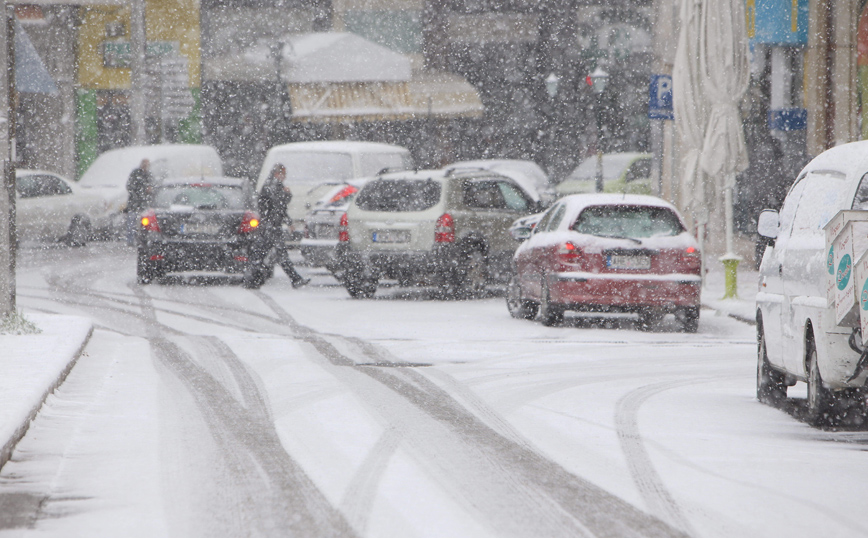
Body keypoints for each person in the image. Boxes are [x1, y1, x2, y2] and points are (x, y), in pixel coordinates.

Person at [253, 164, 309, 288]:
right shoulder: (272, 186)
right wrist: (287, 195)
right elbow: (278, 205)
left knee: (266, 253)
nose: (284, 176)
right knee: (274, 254)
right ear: (276, 174)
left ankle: (254, 278)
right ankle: (253, 278)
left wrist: (288, 222)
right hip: (270, 225)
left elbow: (280, 207)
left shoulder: (275, 186)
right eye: (282, 174)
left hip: (271, 225)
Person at [126, 159, 155, 245]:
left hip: (144, 204)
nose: (145, 166)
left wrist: (150, 190)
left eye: (147, 164)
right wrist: (140, 192)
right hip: (134, 203)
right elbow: (130, 186)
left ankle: (141, 240)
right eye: (144, 164)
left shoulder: (149, 175)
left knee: (143, 223)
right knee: (132, 222)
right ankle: (130, 241)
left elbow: (152, 186)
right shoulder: (136, 173)